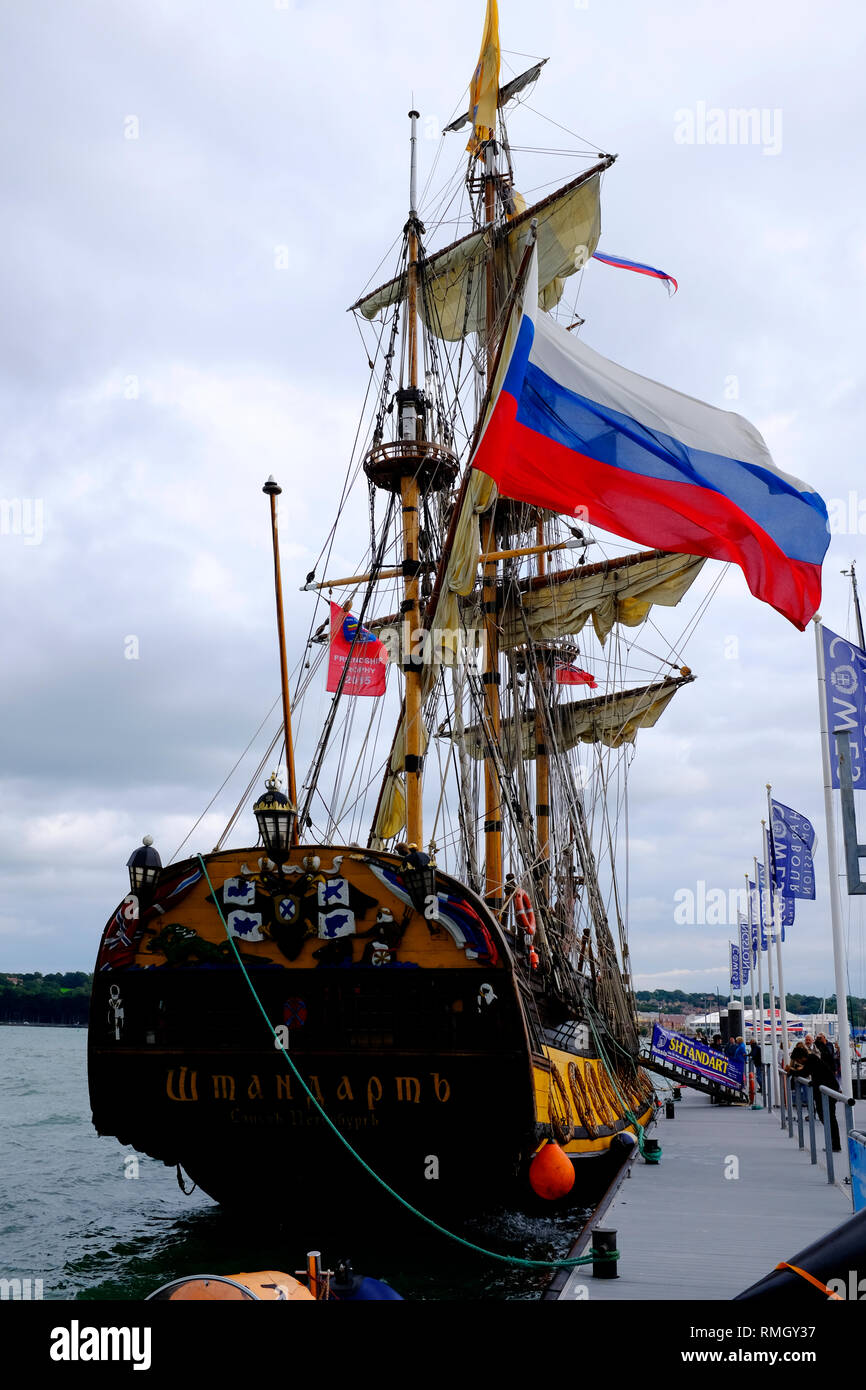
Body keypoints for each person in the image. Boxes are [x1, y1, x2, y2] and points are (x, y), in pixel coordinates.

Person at [786, 1043, 841, 1151]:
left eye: (797, 1060)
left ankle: (835, 1145)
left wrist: (792, 1071)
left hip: (828, 1090)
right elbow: (809, 1072)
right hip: (826, 1088)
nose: (798, 1063)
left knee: (828, 1117)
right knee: (827, 1117)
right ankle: (834, 1144)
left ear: (801, 1058)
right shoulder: (812, 1059)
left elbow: (804, 1072)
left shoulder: (811, 1059)